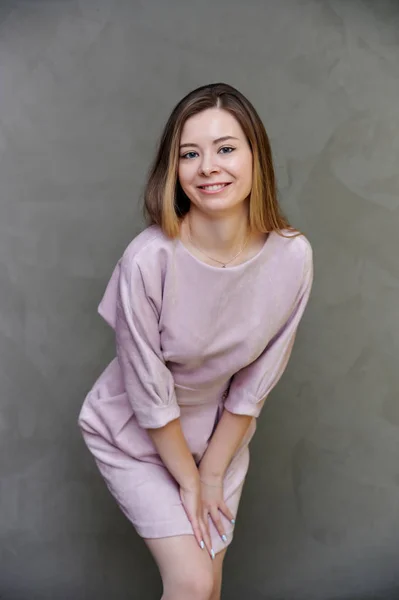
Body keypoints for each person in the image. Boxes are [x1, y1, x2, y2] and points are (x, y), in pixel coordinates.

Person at [78, 82, 313, 600]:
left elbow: (255, 384)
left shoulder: (293, 256)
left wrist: (211, 473)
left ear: (257, 158)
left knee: (209, 587)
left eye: (226, 148)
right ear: (175, 171)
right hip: (136, 435)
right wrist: (190, 479)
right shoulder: (148, 259)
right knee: (191, 580)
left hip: (221, 441)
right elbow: (149, 394)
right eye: (190, 154)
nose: (209, 166)